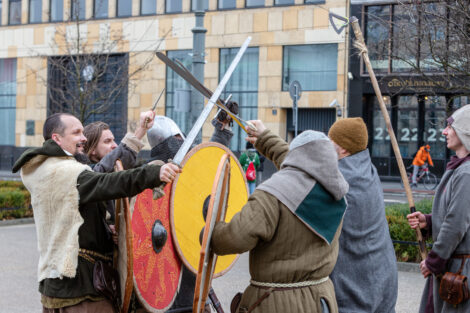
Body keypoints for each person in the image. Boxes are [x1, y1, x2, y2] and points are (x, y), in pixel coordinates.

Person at [12, 113, 180, 313]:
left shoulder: (49, 169)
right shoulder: (64, 173)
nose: (83, 137)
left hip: (62, 288)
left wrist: (110, 233)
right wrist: (153, 174)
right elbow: (106, 180)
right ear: (57, 138)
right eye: (76, 133)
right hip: (81, 291)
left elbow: (77, 223)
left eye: (83, 132)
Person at [210, 120, 349, 313]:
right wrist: (265, 138)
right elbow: (302, 161)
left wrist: (207, 230)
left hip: (276, 303)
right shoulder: (335, 190)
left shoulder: (273, 195)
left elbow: (233, 239)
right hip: (321, 300)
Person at [141, 106, 236, 313]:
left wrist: (222, 128)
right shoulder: (152, 173)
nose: (181, 142)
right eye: (177, 138)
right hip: (165, 255)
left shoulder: (182, 168)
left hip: (190, 252)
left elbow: (207, 166)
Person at [328, 117, 398, 313]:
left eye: (330, 140)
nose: (326, 144)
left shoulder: (340, 179)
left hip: (355, 289)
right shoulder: (368, 170)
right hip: (383, 280)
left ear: (343, 148)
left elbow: (304, 172)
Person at [407, 104, 470, 313]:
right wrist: (430, 220)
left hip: (459, 270)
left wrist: (433, 261)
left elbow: (457, 223)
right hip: (454, 267)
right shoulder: (461, 169)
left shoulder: (466, 174)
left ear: (465, 132)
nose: (444, 132)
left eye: (450, 127)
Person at [82, 111, 154, 222]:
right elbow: (104, 169)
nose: (114, 145)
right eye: (107, 141)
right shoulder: (87, 175)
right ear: (93, 150)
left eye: (113, 140)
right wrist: (141, 129)